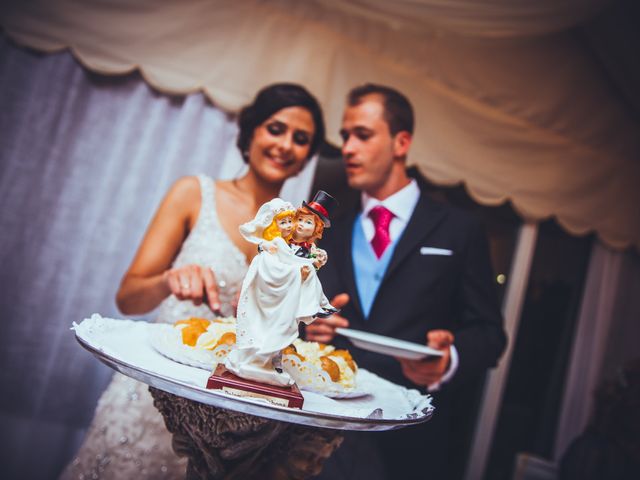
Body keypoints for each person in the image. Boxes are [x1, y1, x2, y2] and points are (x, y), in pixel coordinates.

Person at [61, 82, 326, 480]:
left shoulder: (297, 237)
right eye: (276, 128)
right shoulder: (194, 193)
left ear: (306, 158)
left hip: (231, 419)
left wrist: (313, 319)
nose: (286, 144)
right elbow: (128, 299)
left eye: (301, 138)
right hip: (154, 398)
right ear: (251, 131)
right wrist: (170, 279)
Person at [305, 84, 507, 480]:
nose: (347, 148)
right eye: (345, 136)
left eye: (362, 135)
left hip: (408, 442)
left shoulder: (458, 229)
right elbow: (301, 319)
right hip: (321, 431)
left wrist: (448, 361)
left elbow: (490, 333)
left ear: (401, 142)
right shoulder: (326, 232)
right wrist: (308, 324)